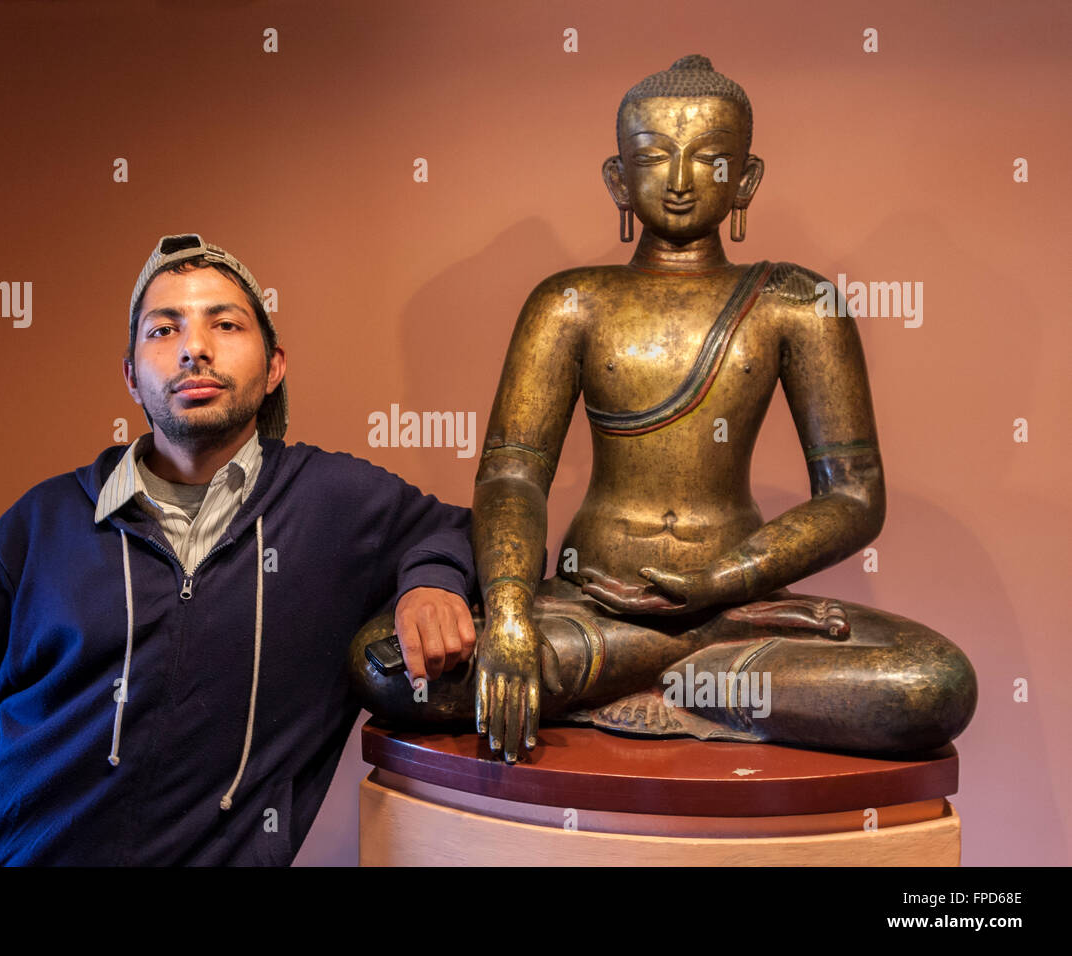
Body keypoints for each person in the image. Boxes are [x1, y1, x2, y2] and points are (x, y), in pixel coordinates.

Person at [351, 55, 976, 763]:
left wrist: (723, 581)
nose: (680, 181)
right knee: (386, 669)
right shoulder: (570, 301)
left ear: (746, 178)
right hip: (587, 606)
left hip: (736, 610)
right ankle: (693, 677)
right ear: (618, 178)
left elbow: (856, 496)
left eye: (709, 159)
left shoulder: (797, 303)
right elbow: (512, 476)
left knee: (933, 683)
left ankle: (661, 668)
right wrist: (515, 618)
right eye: (654, 157)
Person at [0, 234, 478, 865]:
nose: (195, 347)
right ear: (133, 378)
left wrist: (431, 580)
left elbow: (472, 531)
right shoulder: (41, 523)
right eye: (164, 330)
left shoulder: (338, 505)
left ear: (274, 366)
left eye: (226, 323)